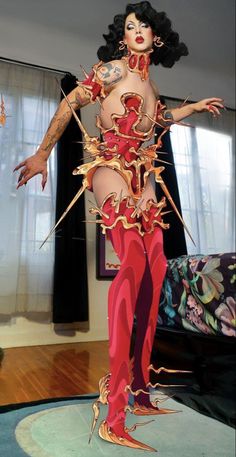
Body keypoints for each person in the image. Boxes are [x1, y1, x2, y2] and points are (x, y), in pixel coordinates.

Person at [14, 1, 224, 451]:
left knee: (157, 270)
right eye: (130, 26)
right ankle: (113, 412)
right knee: (130, 264)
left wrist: (194, 108)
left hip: (144, 174)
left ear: (158, 37)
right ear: (122, 37)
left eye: (144, 25)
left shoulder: (151, 83)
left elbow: (160, 121)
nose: (137, 31)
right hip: (109, 165)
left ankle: (141, 392)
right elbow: (73, 101)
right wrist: (42, 153)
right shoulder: (110, 72)